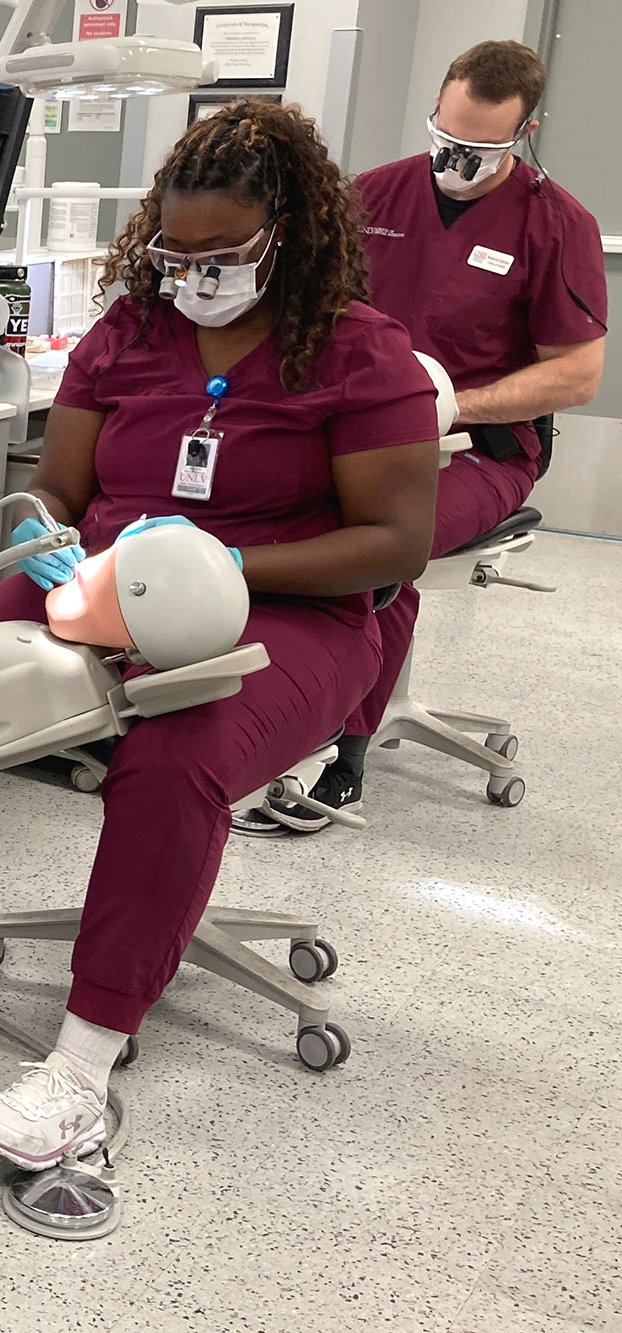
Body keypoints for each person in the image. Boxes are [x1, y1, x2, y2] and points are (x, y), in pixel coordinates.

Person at [0, 101, 442, 1172]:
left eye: (222, 254)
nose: (193, 273)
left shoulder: (358, 354)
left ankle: (78, 1071)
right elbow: (55, 485)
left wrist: (220, 565)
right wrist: (50, 542)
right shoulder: (127, 336)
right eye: (172, 251)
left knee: (172, 756)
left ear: (285, 233)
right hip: (102, 592)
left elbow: (393, 543)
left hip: (288, 614)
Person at [270, 40, 607, 831]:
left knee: (380, 540)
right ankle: (259, 714)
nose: (456, 157)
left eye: (481, 148)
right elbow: (302, 307)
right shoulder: (372, 197)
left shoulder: (557, 224)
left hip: (483, 448)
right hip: (355, 431)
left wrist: (454, 407)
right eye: (445, 134)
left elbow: (576, 375)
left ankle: (339, 758)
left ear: (524, 134)